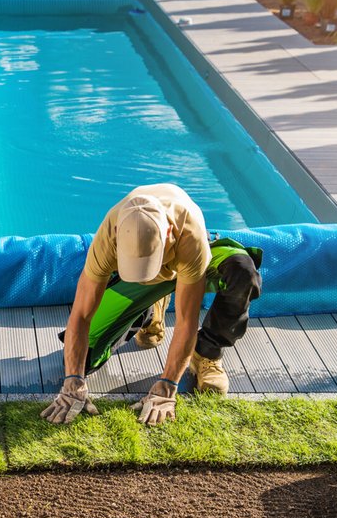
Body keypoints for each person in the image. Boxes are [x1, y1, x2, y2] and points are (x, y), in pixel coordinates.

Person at [41, 183, 249, 427]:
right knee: (81, 358)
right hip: (143, 282)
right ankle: (151, 310)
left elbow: (186, 321)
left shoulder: (188, 234)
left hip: (187, 268)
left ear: (169, 232)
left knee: (242, 272)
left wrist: (168, 385)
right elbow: (81, 315)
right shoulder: (109, 235)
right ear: (118, 233)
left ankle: (207, 354)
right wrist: (73, 378)